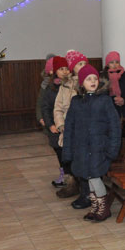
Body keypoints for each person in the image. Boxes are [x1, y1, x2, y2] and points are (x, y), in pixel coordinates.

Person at [62, 64, 121, 222]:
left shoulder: (104, 100)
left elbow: (115, 126)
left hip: (99, 148)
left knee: (94, 176)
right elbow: (69, 128)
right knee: (88, 177)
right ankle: (95, 207)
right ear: (81, 83)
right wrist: (68, 151)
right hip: (81, 148)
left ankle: (103, 208)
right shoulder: (76, 102)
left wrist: (112, 150)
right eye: (88, 79)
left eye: (95, 78)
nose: (93, 81)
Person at [53, 50, 89, 201]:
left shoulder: (89, 82)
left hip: (83, 129)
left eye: (84, 64)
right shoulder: (65, 85)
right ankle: (74, 185)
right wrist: (60, 124)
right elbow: (58, 107)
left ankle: (86, 191)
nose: (82, 66)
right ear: (72, 68)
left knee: (83, 160)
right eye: (79, 64)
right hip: (68, 128)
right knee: (71, 159)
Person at [41, 56, 70, 188]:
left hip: (69, 126)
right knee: (60, 152)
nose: (64, 71)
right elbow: (45, 108)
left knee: (69, 153)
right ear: (55, 71)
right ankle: (64, 175)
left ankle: (72, 177)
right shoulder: (51, 88)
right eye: (61, 69)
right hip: (56, 127)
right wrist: (50, 125)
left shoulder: (72, 86)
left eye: (66, 68)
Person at [102, 51, 125, 117]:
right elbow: (102, 94)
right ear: (107, 64)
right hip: (109, 107)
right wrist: (113, 99)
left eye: (117, 62)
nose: (115, 65)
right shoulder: (104, 76)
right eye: (111, 62)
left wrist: (124, 99)